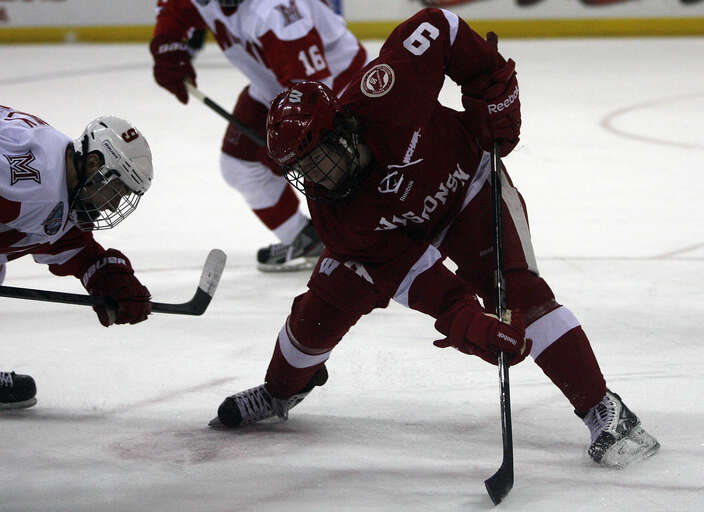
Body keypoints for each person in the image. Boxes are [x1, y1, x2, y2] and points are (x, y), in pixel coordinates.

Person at [209, 8, 660, 469]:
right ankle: (281, 391)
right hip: (400, 230)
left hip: (470, 188)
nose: (315, 177)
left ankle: (605, 408)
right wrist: (465, 319)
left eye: (317, 158)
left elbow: (439, 25)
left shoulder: (387, 93)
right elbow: (407, 272)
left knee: (517, 292)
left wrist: (491, 87)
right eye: (301, 169)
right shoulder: (336, 217)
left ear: (339, 131)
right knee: (320, 307)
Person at [150, 0, 368, 271]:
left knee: (337, 169)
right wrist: (167, 44)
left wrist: (298, 142)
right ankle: (305, 239)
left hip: (339, 91)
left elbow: (313, 89)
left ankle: (365, 232)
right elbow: (175, 8)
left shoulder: (275, 11)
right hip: (277, 88)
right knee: (240, 164)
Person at [0, 106, 154, 410]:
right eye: (116, 190)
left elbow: (61, 239)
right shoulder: (33, 187)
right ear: (95, 164)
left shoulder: (60, 172)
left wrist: (106, 276)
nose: (113, 206)